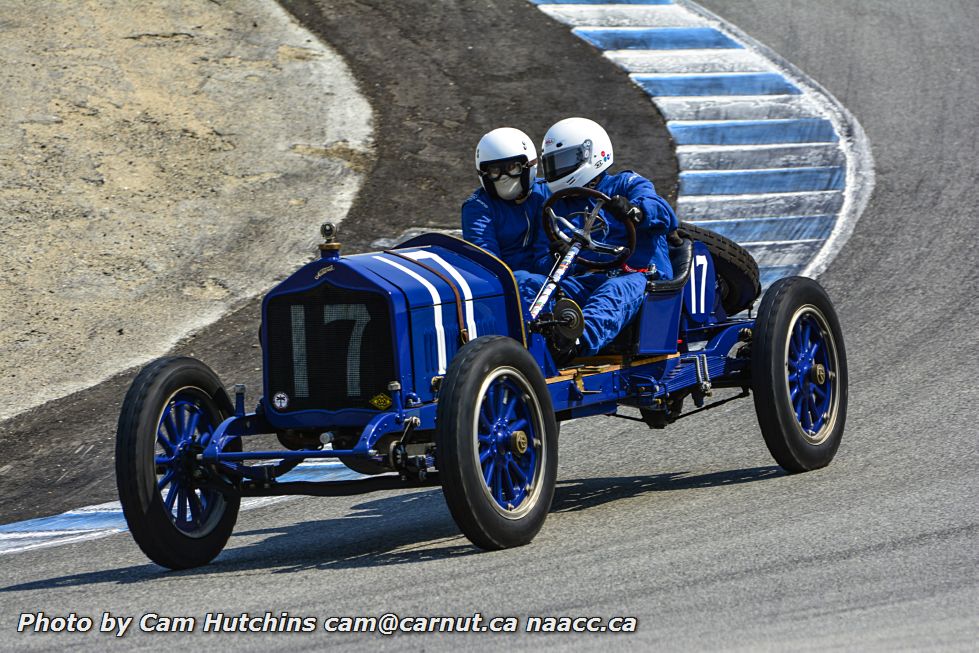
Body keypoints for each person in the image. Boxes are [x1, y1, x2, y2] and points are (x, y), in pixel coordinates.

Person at [530, 116, 679, 363]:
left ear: (592, 153)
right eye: (553, 163)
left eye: (565, 161)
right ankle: (517, 337)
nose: (558, 169)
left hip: (638, 276)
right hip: (589, 279)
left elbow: (665, 215)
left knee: (613, 290)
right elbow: (541, 263)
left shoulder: (626, 183)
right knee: (528, 283)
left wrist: (636, 211)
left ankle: (575, 343)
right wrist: (555, 256)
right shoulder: (558, 207)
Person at [461, 127, 554, 308]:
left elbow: (544, 252)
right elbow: (488, 263)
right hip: (506, 288)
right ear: (484, 174)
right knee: (522, 280)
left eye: (512, 167)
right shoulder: (477, 207)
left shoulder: (547, 193)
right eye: (495, 170)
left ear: (528, 166)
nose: (504, 177)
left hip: (546, 280)